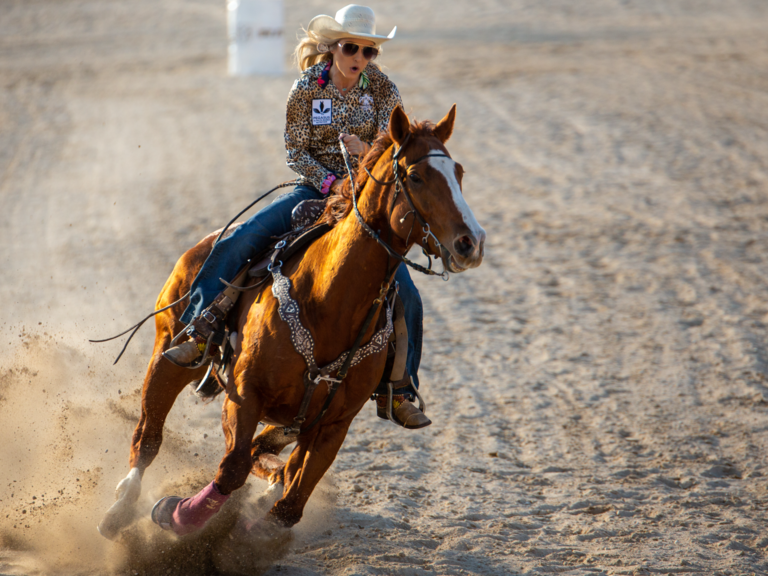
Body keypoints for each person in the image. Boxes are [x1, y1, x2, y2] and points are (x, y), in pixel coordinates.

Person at [163, 5, 430, 429]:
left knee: (408, 294)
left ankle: (399, 388)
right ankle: (200, 330)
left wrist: (364, 154)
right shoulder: (306, 88)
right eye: (351, 47)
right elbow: (295, 151)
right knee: (243, 239)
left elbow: (392, 150)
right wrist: (329, 184)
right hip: (314, 190)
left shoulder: (383, 91)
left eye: (369, 51)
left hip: (366, 203)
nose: (359, 56)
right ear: (333, 48)